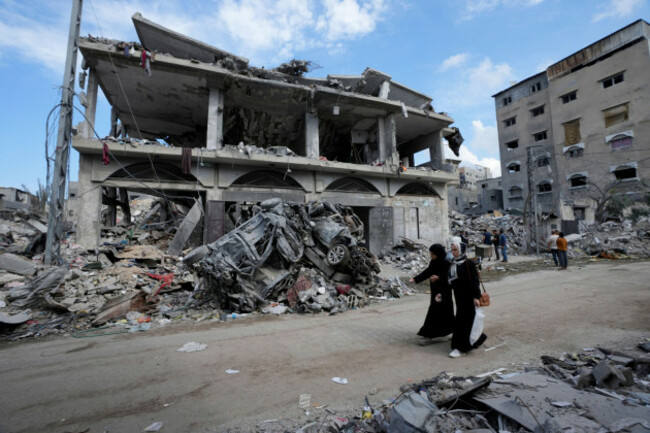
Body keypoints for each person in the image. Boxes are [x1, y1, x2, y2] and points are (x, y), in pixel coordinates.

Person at [447, 241, 487, 358]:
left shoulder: (468, 263)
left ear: (461, 250)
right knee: (462, 319)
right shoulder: (453, 263)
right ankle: (478, 339)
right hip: (459, 297)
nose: (453, 252)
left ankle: (462, 348)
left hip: (468, 296)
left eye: (455, 250)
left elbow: (475, 281)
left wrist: (476, 297)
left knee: (465, 321)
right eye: (452, 250)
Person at [409, 244, 454, 344]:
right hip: (435, 291)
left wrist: (439, 278)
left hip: (444, 292)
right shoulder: (434, 262)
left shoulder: (447, 264)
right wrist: (416, 279)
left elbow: (451, 278)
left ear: (437, 254)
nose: (431, 256)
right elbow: (428, 272)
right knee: (437, 311)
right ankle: (433, 333)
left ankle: (429, 335)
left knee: (442, 313)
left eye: (432, 254)